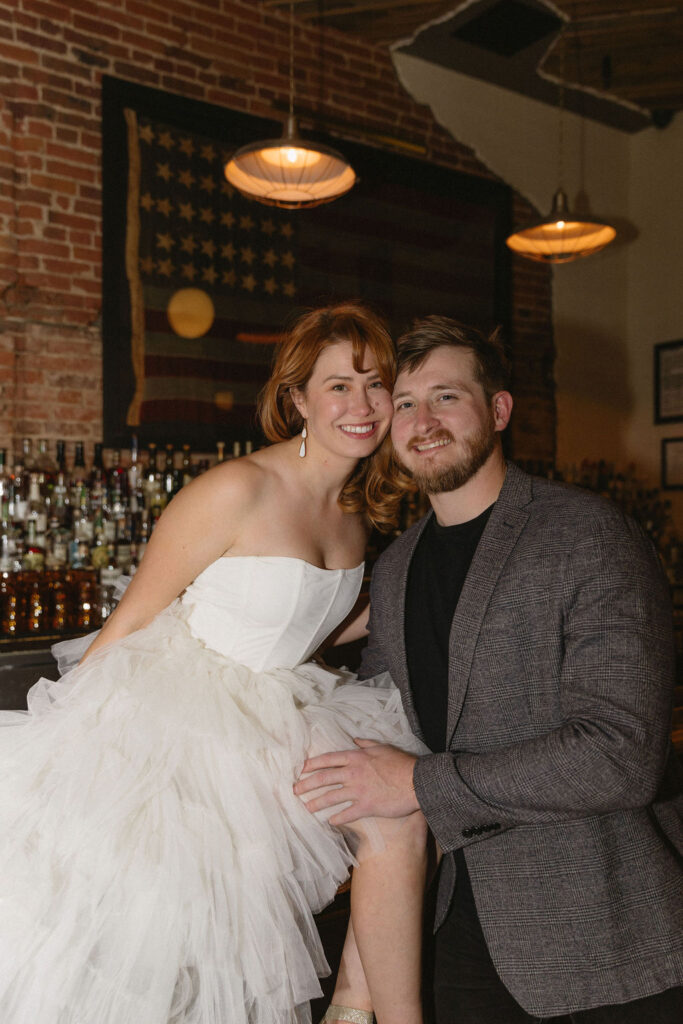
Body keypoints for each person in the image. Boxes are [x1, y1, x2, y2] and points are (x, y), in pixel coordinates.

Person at [0, 303, 429, 1024]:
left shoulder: (354, 510)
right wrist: (66, 749)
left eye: (375, 385)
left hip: (282, 710)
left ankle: (356, 1008)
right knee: (162, 929)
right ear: (296, 399)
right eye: (337, 387)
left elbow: (311, 622)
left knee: (405, 811)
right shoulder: (237, 488)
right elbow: (131, 617)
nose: (361, 406)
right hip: (181, 715)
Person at [295, 316, 683, 1022]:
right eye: (404, 403)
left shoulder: (587, 534)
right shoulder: (397, 566)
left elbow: (620, 755)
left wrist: (414, 782)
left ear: (497, 410)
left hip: (596, 940)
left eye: (445, 397)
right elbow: (383, 722)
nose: (421, 420)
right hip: (445, 928)